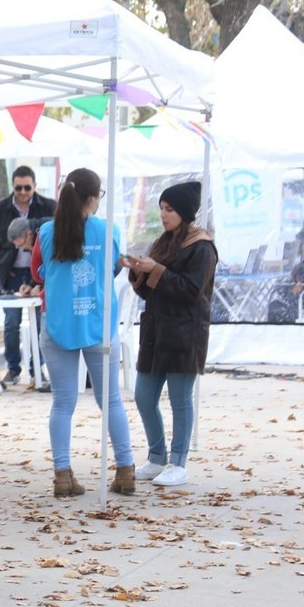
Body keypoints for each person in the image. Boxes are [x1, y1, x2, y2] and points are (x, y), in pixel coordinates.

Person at [30, 168, 134, 498]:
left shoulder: (46, 232)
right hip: (98, 325)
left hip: (58, 323)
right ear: (92, 198)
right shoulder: (109, 231)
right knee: (111, 400)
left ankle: (63, 475)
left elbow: (37, 271)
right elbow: (115, 266)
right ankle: (126, 470)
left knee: (62, 403)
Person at [126, 182, 218, 488]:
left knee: (180, 400)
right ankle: (156, 456)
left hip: (185, 332)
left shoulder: (202, 247)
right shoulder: (162, 242)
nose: (164, 215)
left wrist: (156, 271)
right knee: (143, 396)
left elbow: (192, 290)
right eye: (162, 209)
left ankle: (178, 462)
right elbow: (147, 289)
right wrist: (138, 270)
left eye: (170, 209)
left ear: (185, 213)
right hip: (155, 330)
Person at [0, 166, 56, 384]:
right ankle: (14, 369)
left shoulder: (49, 207)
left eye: (27, 187)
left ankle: (38, 369)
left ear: (35, 185)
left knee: (41, 320)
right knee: (11, 322)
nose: (23, 192)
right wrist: (7, 251)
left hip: (40, 271)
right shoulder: (1, 208)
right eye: (18, 188)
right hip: (13, 272)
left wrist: (38, 282)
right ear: (12, 187)